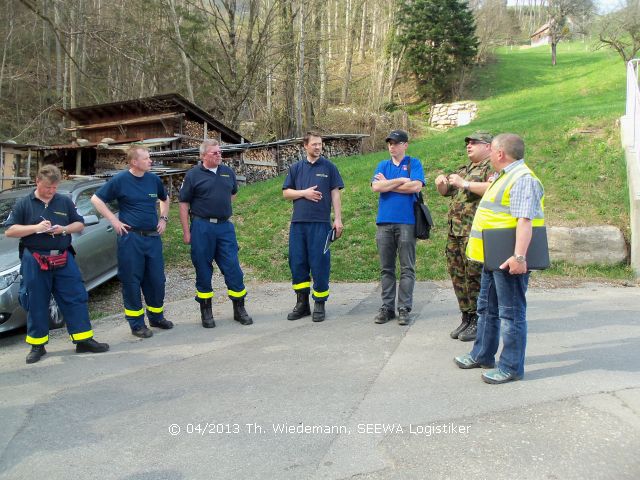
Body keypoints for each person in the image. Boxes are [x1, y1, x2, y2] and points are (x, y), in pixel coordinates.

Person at [454, 133, 544, 384]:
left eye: (492, 152)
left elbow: (524, 220)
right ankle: (482, 354)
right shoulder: (504, 177)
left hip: (508, 260)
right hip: (493, 257)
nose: (490, 156)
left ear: (501, 154)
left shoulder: (523, 179)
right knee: (486, 308)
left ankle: (511, 367)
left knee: (511, 314)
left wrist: (519, 257)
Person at [5, 165, 109, 364]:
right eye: (47, 188)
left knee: (75, 297)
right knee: (35, 301)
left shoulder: (64, 201)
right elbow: (10, 231)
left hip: (63, 256)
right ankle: (38, 346)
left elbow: (79, 224)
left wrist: (63, 229)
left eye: (54, 188)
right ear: (37, 182)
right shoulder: (24, 203)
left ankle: (83, 340)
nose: (50, 192)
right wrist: (35, 228)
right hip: (34, 258)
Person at [91, 146, 173, 339]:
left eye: (149, 158)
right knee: (131, 281)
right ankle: (136, 324)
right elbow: (96, 199)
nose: (150, 161)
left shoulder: (153, 180)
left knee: (156, 279)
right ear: (134, 162)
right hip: (131, 238)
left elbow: (166, 199)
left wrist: (163, 219)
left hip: (152, 238)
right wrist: (114, 220)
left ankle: (156, 317)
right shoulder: (120, 180)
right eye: (146, 158)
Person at [178, 139, 253, 328]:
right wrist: (187, 231)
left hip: (225, 227)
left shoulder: (228, 172)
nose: (219, 155)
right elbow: (183, 203)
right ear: (203, 156)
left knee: (233, 268)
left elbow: (232, 194)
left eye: (220, 152)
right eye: (214, 153)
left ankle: (239, 309)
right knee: (203, 269)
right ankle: (206, 311)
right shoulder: (193, 175)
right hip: (202, 227)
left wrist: (221, 207)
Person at [435, 131, 494, 342]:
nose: (469, 146)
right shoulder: (465, 169)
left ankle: (480, 320)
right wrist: (441, 182)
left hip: (474, 234)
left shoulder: (491, 167)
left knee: (475, 277)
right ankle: (466, 316)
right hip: (455, 233)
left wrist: (464, 184)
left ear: (488, 146)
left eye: (474, 142)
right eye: (467, 143)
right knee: (458, 276)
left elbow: (493, 189)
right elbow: (446, 191)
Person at [282, 132, 344, 323]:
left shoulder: (329, 167)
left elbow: (335, 194)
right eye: (314, 144)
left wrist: (338, 219)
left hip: (320, 224)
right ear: (305, 146)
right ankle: (302, 305)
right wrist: (304, 193)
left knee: (320, 263)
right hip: (298, 224)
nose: (318, 147)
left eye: (320, 144)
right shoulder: (295, 168)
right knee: (297, 262)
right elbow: (286, 193)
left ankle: (319, 303)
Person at [371, 129, 425, 326]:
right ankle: (387, 308)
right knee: (386, 269)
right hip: (384, 222)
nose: (392, 146)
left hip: (406, 222)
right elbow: (376, 187)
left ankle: (404, 308)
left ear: (405, 145)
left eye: (396, 143)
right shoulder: (382, 164)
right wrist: (401, 181)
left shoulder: (413, 163)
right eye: (389, 143)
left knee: (406, 268)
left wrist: (389, 184)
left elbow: (416, 187)